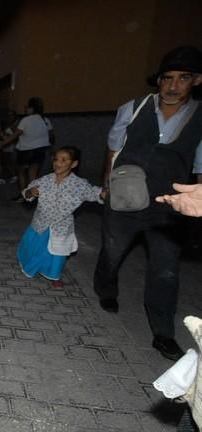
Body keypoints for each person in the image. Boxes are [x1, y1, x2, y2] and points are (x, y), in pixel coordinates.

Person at [94, 45, 202, 361]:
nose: (172, 86)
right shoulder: (134, 107)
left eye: (183, 79)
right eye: (167, 78)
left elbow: (200, 165)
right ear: (158, 80)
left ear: (196, 80)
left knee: (165, 270)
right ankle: (106, 289)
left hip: (170, 206)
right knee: (112, 252)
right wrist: (106, 184)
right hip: (125, 196)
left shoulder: (200, 116)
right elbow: (113, 148)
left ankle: (162, 332)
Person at [17, 147, 104, 288]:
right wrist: (30, 192)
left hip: (61, 226)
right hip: (41, 223)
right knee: (36, 249)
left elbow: (94, 192)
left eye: (64, 160)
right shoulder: (45, 180)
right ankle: (33, 266)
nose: (58, 163)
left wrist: (104, 193)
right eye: (56, 159)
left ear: (74, 164)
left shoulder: (79, 184)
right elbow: (27, 193)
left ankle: (54, 275)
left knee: (57, 252)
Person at [0, 97, 54, 202]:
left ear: (32, 108)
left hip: (26, 151)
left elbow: (15, 135)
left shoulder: (26, 120)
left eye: (27, 107)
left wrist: (1, 144)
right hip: (40, 150)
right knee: (33, 173)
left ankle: (24, 196)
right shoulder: (45, 120)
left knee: (21, 172)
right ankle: (34, 196)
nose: (25, 110)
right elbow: (51, 135)